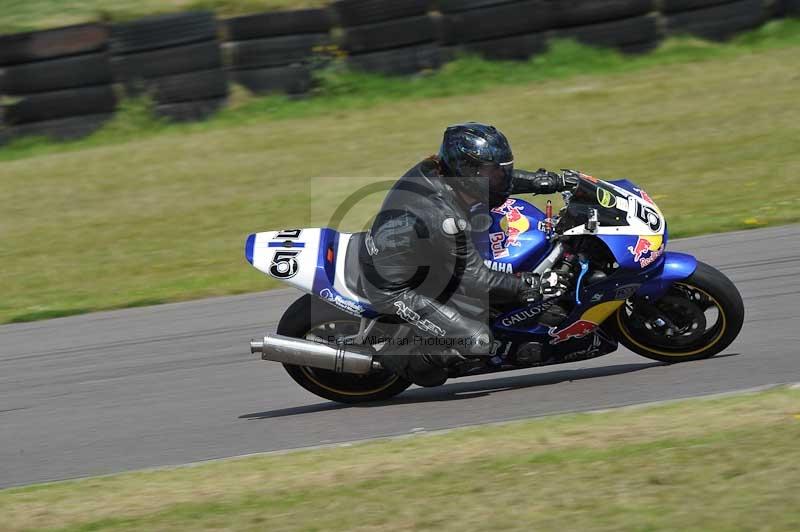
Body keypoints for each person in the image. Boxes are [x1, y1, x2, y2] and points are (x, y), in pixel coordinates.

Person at [359, 122, 577, 386]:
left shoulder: (441, 170)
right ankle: (391, 359)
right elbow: (476, 280)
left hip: (417, 254)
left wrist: (546, 181)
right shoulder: (444, 216)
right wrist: (529, 285)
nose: (501, 177)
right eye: (493, 171)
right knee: (478, 341)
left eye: (502, 169)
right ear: (466, 172)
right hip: (395, 289)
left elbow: (495, 184)